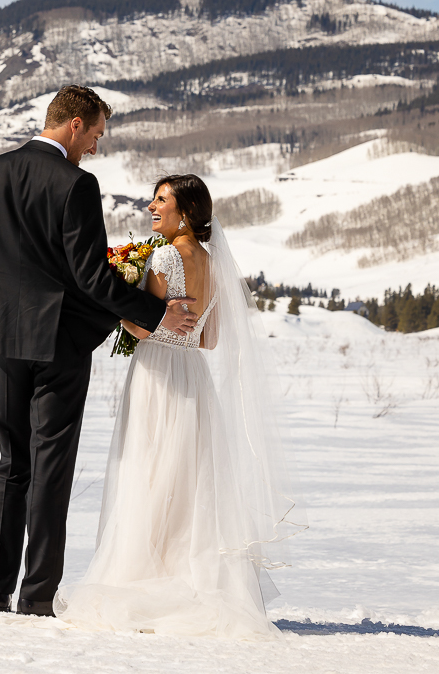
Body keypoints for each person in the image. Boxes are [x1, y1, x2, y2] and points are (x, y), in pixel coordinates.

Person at [0, 85, 199, 617]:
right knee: (51, 467)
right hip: (60, 342)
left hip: (7, 343)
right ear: (76, 125)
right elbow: (89, 276)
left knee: (12, 465)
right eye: (98, 134)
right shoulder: (75, 184)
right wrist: (156, 313)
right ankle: (36, 599)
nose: (96, 148)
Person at [54, 175, 301, 637]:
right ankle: (185, 574)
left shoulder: (166, 256)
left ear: (184, 212)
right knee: (187, 482)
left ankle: (144, 579)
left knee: (148, 473)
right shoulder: (213, 262)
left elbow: (145, 329)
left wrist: (114, 302)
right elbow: (208, 339)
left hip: (158, 376)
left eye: (161, 200)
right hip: (193, 377)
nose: (151, 206)